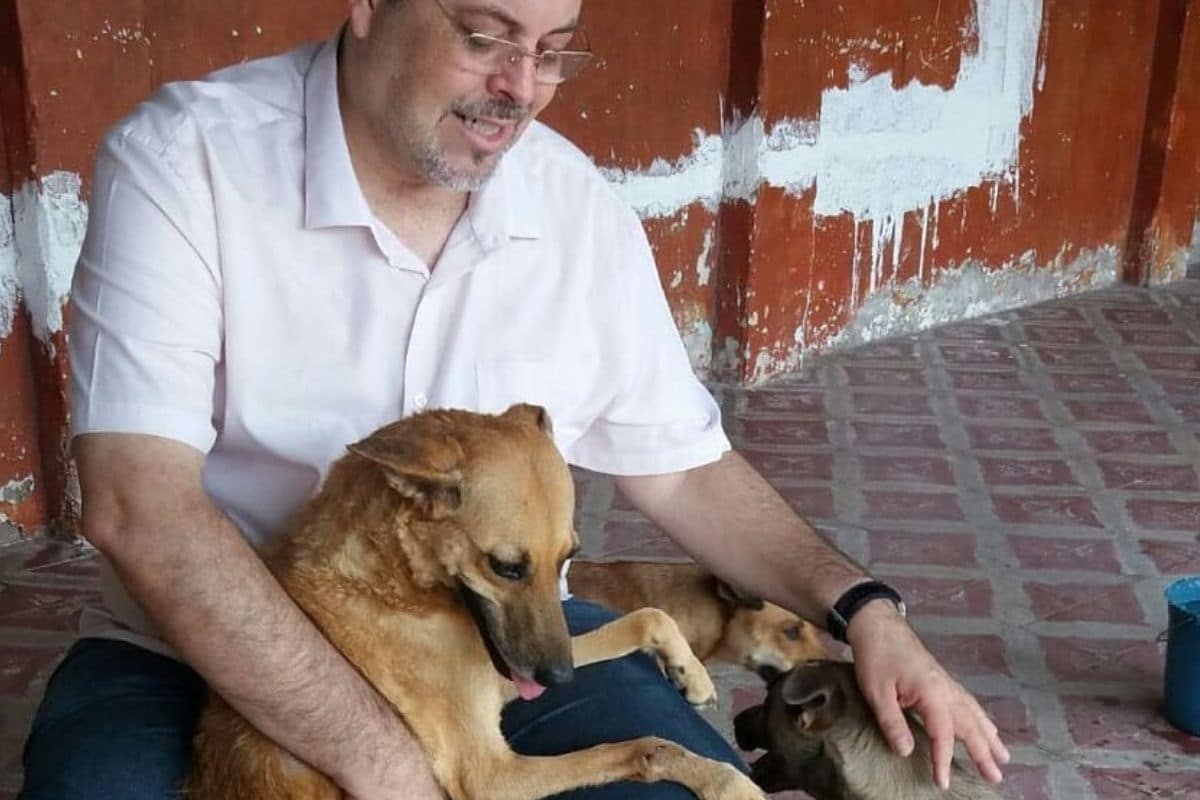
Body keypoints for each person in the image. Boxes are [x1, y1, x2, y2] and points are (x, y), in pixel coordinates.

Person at [19, 1, 1010, 798]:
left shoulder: (573, 208)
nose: (519, 89)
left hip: (493, 651)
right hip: (198, 644)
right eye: (483, 36)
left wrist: (868, 609)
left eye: (552, 50)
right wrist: (384, 756)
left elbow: (685, 467)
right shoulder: (188, 159)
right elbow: (139, 505)